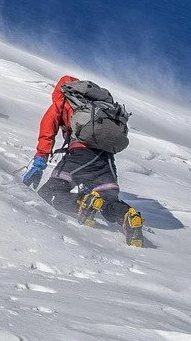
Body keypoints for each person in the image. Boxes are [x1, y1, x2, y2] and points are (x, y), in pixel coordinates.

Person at [23, 75, 143, 244]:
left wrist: (40, 160)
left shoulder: (64, 101)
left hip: (80, 156)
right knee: (108, 200)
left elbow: (47, 130)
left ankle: (82, 203)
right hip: (106, 160)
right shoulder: (98, 106)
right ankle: (127, 216)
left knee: (48, 194)